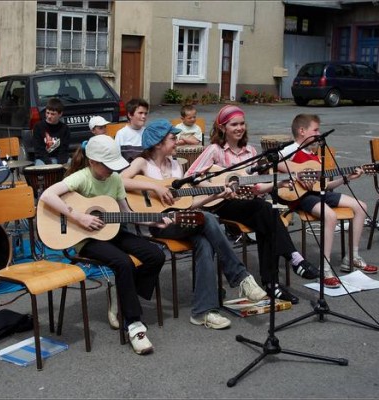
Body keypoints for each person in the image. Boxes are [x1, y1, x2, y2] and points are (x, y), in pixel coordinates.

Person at [121, 119, 267, 330]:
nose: (177, 142)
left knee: (204, 239)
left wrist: (216, 194)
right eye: (173, 138)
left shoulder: (175, 165)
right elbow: (120, 181)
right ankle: (240, 277)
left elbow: (187, 203)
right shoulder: (143, 163)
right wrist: (155, 188)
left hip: (183, 221)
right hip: (156, 223)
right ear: (158, 143)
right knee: (208, 219)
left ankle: (202, 312)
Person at [39, 135, 166, 355]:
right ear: (93, 162)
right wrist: (79, 217)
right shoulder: (82, 177)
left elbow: (126, 214)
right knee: (123, 263)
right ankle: (134, 325)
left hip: (111, 231)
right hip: (84, 238)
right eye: (107, 165)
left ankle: (126, 294)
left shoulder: (115, 179)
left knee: (155, 254)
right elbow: (47, 195)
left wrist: (153, 220)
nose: (111, 170)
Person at [186, 105, 319, 304]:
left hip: (248, 204)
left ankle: (272, 283)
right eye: (234, 124)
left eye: (242, 124)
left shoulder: (251, 151)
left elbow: (255, 187)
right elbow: (190, 176)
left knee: (266, 218)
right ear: (222, 127)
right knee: (265, 210)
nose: (239, 128)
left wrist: (278, 183)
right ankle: (292, 260)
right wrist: (218, 187)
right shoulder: (214, 150)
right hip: (221, 203)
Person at [278, 113, 378, 288]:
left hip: (318, 193)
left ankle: (351, 257)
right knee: (330, 216)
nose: (319, 133)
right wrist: (297, 174)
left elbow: (323, 185)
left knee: (361, 206)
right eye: (315, 129)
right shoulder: (292, 149)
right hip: (301, 196)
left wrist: (346, 178)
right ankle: (325, 267)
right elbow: (272, 162)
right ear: (302, 131)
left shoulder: (314, 155)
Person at [33, 97, 70, 165]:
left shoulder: (65, 128)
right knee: (40, 166)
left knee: (71, 163)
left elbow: (64, 150)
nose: (49, 116)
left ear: (60, 114)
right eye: (47, 113)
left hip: (59, 158)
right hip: (43, 159)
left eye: (53, 114)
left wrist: (60, 164)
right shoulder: (38, 127)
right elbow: (39, 150)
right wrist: (49, 163)